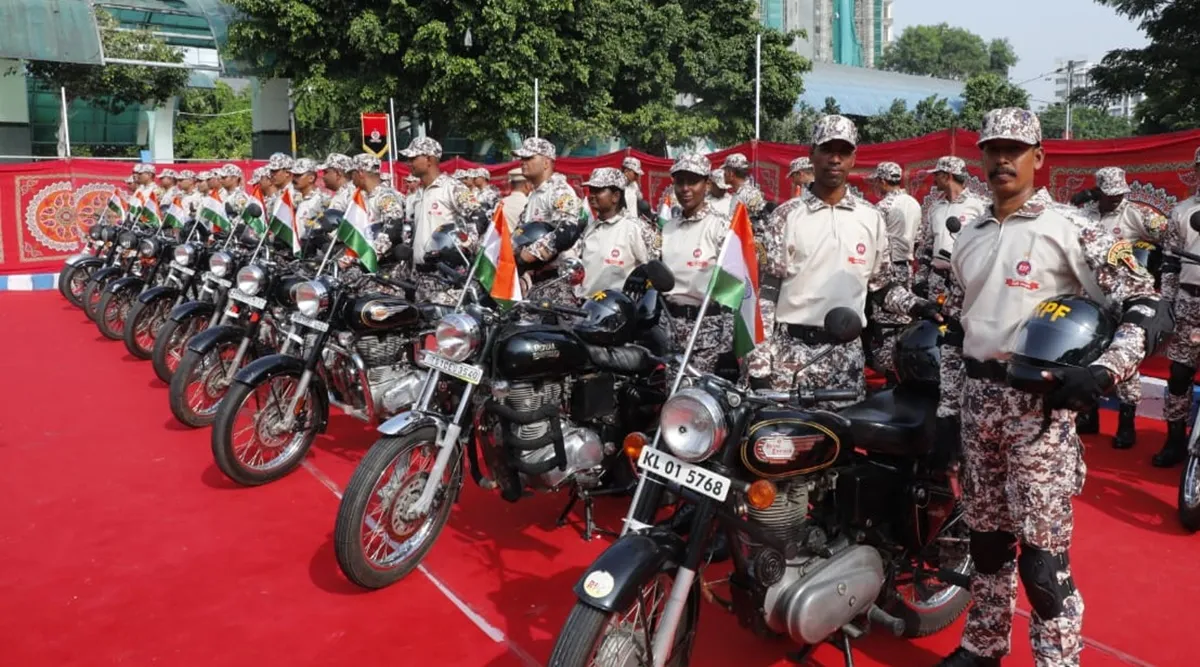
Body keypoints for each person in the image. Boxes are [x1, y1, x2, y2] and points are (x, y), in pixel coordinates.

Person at [936, 108, 1162, 667]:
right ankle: (983, 645)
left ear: (1040, 157)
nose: (1003, 158)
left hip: (1038, 412)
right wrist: (947, 407)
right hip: (978, 403)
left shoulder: (1072, 229)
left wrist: (1106, 370)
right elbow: (951, 324)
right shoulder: (968, 234)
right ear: (981, 156)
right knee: (985, 543)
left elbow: (1146, 305)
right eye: (993, 148)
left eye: (1016, 148)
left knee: (1042, 563)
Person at [747, 115, 936, 406]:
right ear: (812, 154)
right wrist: (760, 365)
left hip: (846, 360)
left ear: (853, 158)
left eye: (843, 152)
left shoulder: (870, 218)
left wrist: (918, 305)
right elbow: (766, 296)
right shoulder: (785, 216)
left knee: (843, 446)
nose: (835, 159)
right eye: (827, 150)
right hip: (791, 357)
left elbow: (882, 288)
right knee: (786, 444)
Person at [1084, 166, 1169, 449]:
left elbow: (1170, 237)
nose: (1116, 199)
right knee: (1088, 352)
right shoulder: (1086, 214)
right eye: (1110, 195)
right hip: (1091, 295)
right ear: (1098, 193)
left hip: (1125, 297)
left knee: (1125, 361)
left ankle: (1126, 424)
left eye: (1120, 193)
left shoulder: (1136, 214)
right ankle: (1089, 416)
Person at [660, 154, 733, 374]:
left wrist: (728, 345)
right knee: (672, 399)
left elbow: (732, 289)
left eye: (693, 181)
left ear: (707, 184)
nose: (685, 188)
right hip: (670, 329)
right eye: (679, 182)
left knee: (697, 402)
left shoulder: (721, 227)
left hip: (707, 333)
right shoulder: (668, 228)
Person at [1153, 147, 1200, 468]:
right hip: (1187, 303)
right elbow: (1169, 262)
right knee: (1180, 373)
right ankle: (1174, 440)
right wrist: (1166, 305)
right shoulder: (1181, 211)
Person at [398, 137, 482, 302]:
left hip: (444, 276)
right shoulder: (419, 192)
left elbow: (478, 217)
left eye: (413, 158)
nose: (409, 162)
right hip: (420, 275)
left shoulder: (452, 188)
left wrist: (464, 244)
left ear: (429, 159)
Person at [867, 161, 924, 377]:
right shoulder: (914, 203)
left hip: (887, 269)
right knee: (905, 317)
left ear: (882, 180)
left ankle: (890, 371)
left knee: (886, 321)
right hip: (906, 267)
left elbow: (875, 241)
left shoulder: (882, 207)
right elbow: (918, 238)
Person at [565, 167, 656, 299]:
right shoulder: (590, 228)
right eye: (591, 190)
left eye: (598, 191)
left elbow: (655, 269)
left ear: (616, 196)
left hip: (616, 310)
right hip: (585, 306)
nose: (591, 196)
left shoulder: (636, 229)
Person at [514, 137, 584, 304]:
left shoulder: (559, 191)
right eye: (522, 159)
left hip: (558, 282)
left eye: (529, 158)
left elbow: (567, 231)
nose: (522, 162)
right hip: (538, 281)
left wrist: (530, 254)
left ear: (546, 163)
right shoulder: (535, 194)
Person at [915, 156, 987, 302]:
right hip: (937, 281)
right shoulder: (935, 208)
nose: (934, 179)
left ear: (948, 176)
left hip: (964, 281)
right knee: (936, 321)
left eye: (937, 175)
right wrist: (921, 279)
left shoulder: (979, 205)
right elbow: (928, 246)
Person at [290, 158, 329, 238]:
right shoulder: (296, 200)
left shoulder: (320, 200)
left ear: (311, 178)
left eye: (298, 175)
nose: (294, 179)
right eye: (294, 175)